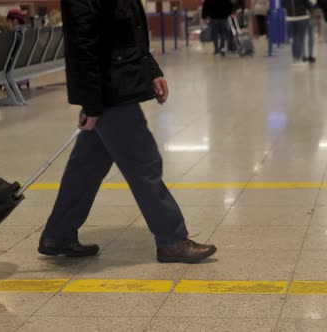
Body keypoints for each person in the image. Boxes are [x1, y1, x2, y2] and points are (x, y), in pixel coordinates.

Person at [39, 0, 217, 263]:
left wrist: (151, 70)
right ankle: (171, 240)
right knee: (144, 162)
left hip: (112, 85)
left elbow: (128, 30)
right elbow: (82, 43)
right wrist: (92, 103)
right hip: (110, 91)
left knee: (86, 166)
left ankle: (59, 234)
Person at [283, 0, 312, 64]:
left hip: (290, 19)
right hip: (302, 18)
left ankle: (294, 57)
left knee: (294, 39)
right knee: (300, 39)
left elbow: (283, 5)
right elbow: (309, 5)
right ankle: (297, 58)